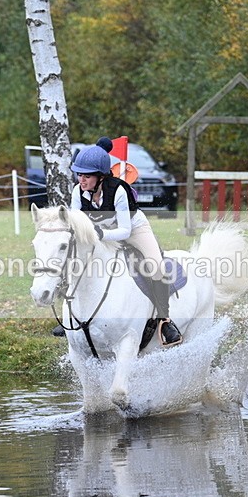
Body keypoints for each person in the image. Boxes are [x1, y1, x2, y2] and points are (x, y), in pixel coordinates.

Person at [68, 137, 182, 346]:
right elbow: (76, 223)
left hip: (133, 229)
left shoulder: (119, 190)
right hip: (101, 231)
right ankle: (72, 314)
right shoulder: (78, 191)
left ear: (101, 177)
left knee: (156, 266)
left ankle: (164, 320)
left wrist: (99, 234)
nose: (81, 180)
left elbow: (124, 230)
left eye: (86, 176)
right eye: (79, 174)